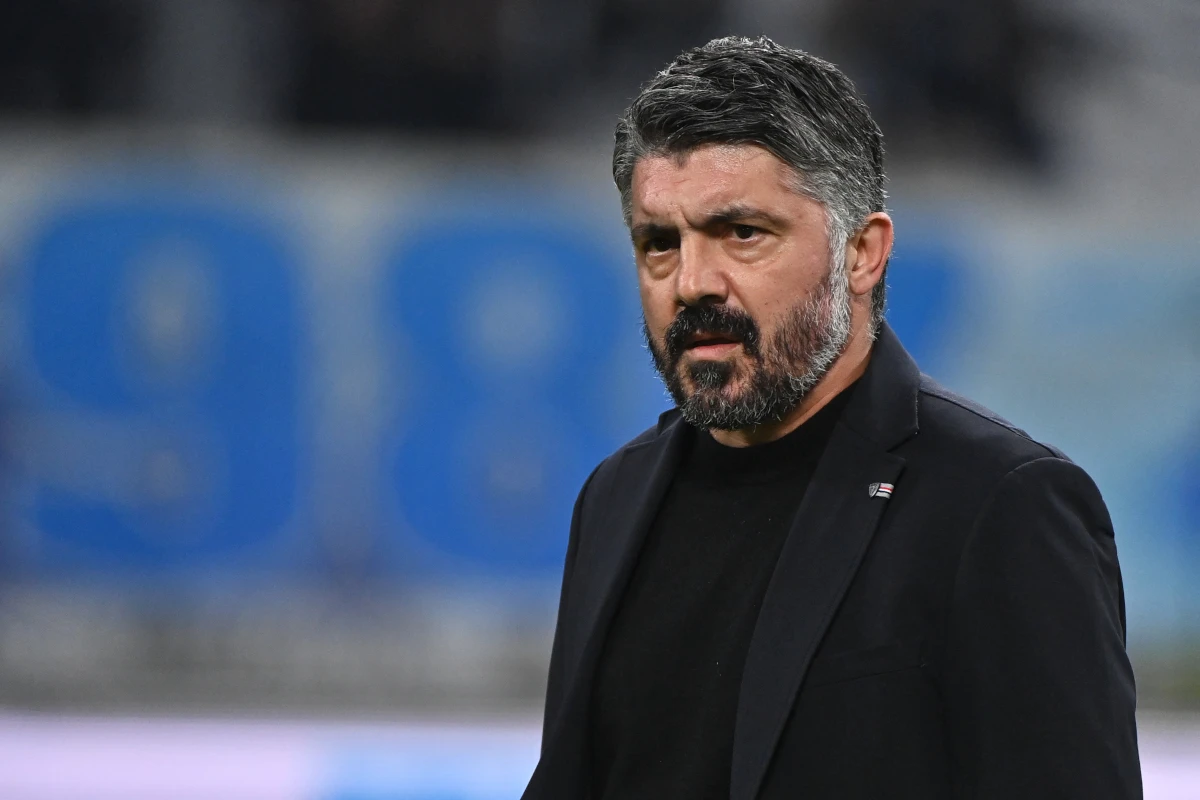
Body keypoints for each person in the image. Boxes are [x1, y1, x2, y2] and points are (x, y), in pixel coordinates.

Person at [521, 35, 1141, 800]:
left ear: (862, 253)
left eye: (742, 233)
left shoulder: (1002, 504)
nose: (691, 282)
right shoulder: (614, 497)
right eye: (659, 243)